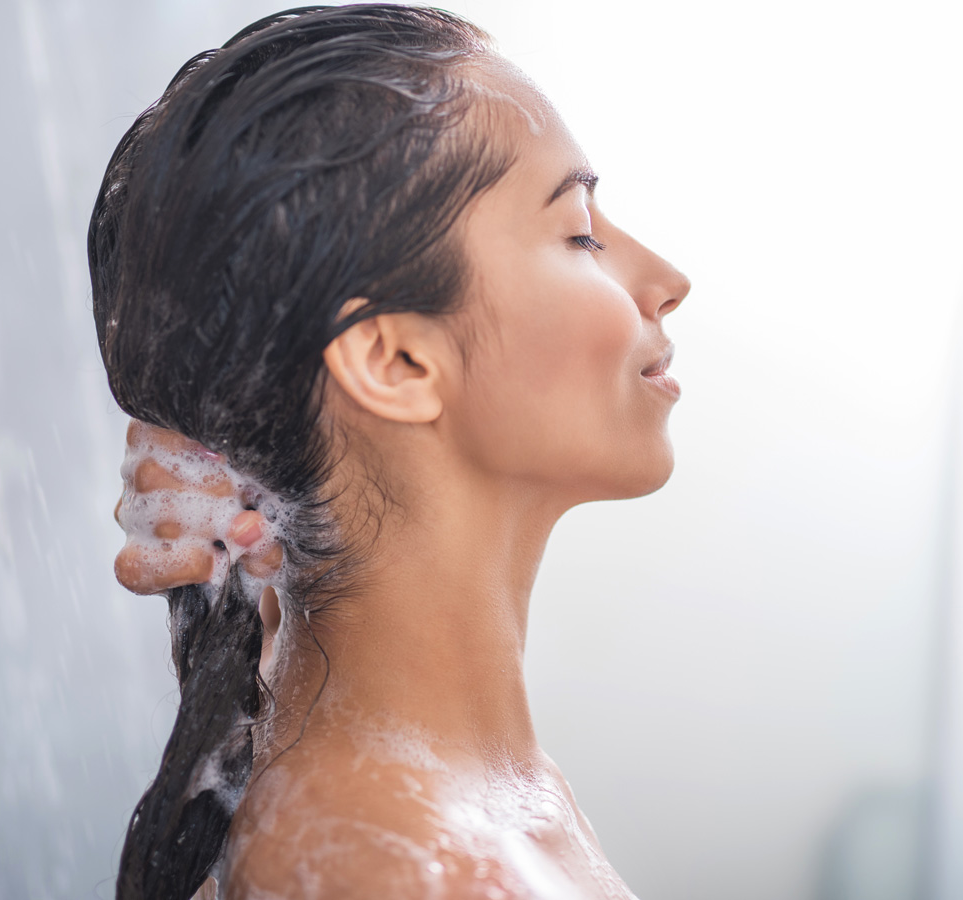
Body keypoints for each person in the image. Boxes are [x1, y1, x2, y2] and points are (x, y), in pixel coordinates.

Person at [89, 6, 689, 898]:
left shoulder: (447, 797)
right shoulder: (393, 868)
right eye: (579, 234)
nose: (667, 282)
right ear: (394, 360)